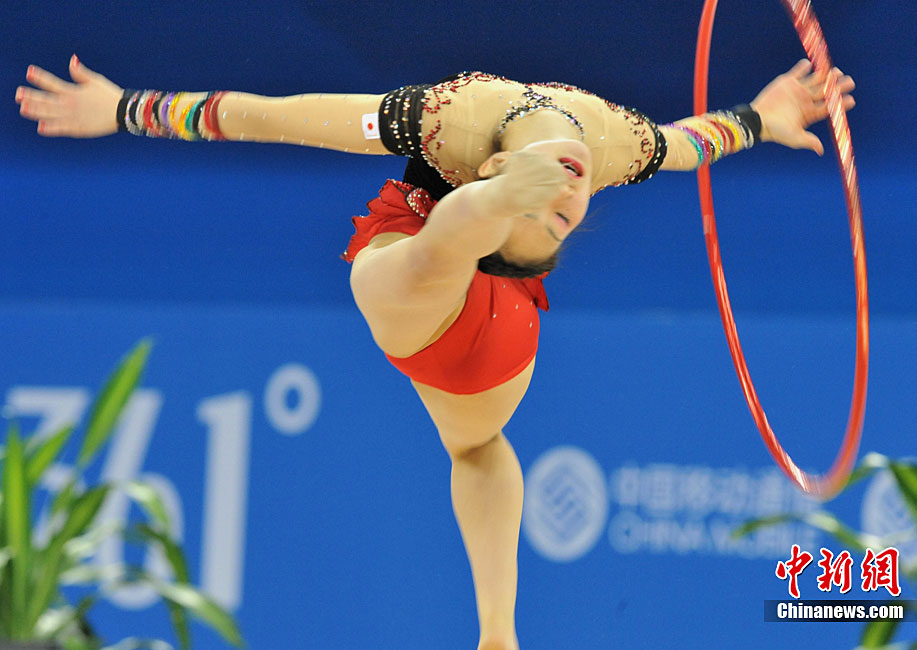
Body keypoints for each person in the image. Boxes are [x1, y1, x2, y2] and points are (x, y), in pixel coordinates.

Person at [15, 56, 855, 650]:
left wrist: (126, 109)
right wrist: (757, 119)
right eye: (559, 216)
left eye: (541, 208)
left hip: (453, 306)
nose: (565, 201)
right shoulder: (610, 148)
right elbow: (692, 141)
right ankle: (500, 636)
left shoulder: (436, 121)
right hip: (448, 270)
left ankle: (495, 634)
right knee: (469, 415)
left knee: (429, 304)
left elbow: (261, 114)